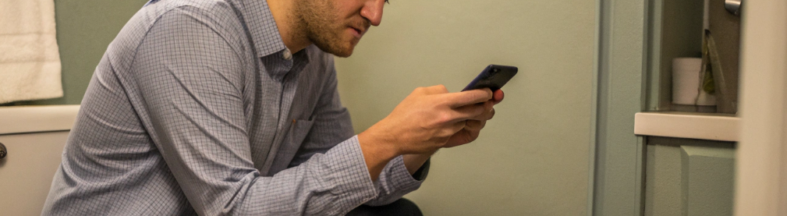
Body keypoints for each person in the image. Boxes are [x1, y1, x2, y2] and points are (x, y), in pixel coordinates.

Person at [41, 0, 503, 215]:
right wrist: (387, 138)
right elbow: (233, 210)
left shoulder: (313, 57)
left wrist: (420, 143)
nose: (375, 14)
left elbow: (342, 185)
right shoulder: (191, 27)